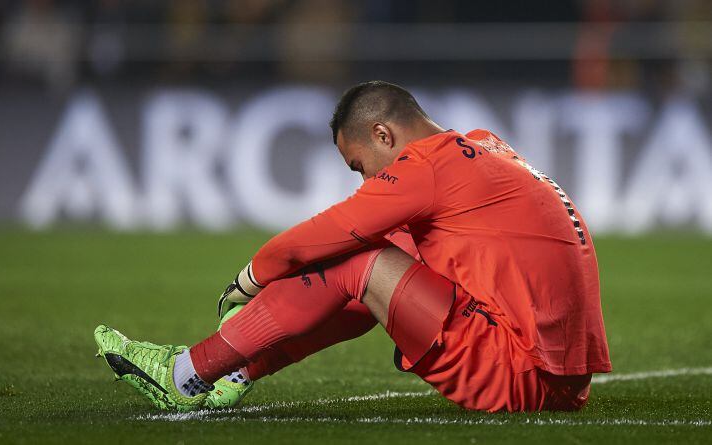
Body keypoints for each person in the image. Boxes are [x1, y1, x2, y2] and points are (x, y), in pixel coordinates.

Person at [94, 80, 611, 413]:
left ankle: (184, 373)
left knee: (358, 257)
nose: (365, 183)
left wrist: (252, 275)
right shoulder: (481, 147)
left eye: (359, 166)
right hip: (560, 381)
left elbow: (326, 235)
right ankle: (237, 369)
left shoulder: (428, 166)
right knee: (377, 269)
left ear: (384, 134)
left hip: (513, 371)